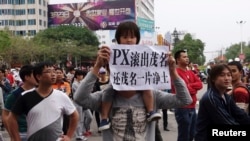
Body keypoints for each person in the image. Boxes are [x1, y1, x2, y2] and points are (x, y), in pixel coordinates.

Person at [74, 31, 192, 141]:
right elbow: (79, 98)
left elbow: (185, 99)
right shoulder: (105, 98)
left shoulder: (152, 96)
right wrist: (97, 67)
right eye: (119, 68)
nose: (128, 72)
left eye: (133, 68)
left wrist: (173, 72)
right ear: (111, 71)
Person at [98, 21, 162, 131]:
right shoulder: (113, 51)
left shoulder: (142, 52)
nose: (129, 40)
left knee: (147, 88)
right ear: (118, 39)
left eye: (132, 37)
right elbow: (109, 68)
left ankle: (150, 111)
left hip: (137, 80)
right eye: (125, 37)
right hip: (119, 82)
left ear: (137, 39)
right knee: (108, 91)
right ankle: (104, 118)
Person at [7, 62, 79, 141]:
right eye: (48, 71)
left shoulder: (61, 96)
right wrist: (17, 139)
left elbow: (74, 115)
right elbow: (11, 118)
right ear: (38, 76)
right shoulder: (26, 96)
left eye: (54, 71)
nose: (53, 74)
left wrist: (69, 136)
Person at [195, 64, 250, 141]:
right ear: (213, 79)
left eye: (229, 75)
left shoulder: (225, 96)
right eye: (222, 75)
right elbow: (226, 122)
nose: (227, 78)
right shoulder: (211, 98)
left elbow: (240, 114)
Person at [173, 50, 203, 141]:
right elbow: (182, 90)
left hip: (192, 107)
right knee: (184, 136)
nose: (187, 58)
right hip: (182, 108)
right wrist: (191, 88)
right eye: (184, 57)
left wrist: (189, 86)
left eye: (187, 57)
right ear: (178, 60)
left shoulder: (190, 72)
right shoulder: (176, 73)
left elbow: (200, 84)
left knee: (192, 134)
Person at [2, 65, 37, 141]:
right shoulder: (15, 94)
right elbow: (5, 115)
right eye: (34, 75)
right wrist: (12, 135)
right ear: (27, 77)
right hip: (22, 133)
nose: (37, 77)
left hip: (37, 132)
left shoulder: (38, 93)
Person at [71, 70, 88, 141]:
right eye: (80, 75)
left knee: (83, 118)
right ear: (77, 75)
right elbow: (81, 92)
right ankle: (78, 135)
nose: (81, 76)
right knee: (79, 119)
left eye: (82, 75)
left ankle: (81, 133)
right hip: (77, 103)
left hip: (82, 103)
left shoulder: (81, 82)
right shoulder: (74, 84)